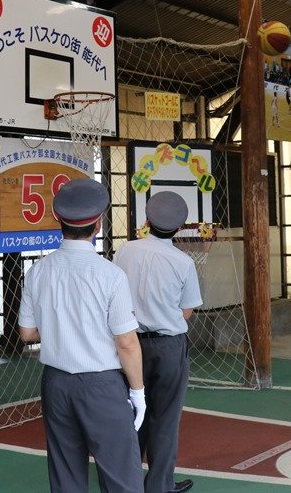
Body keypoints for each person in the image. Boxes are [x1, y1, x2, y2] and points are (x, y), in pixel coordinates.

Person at [19, 178, 146, 492]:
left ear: (57, 220)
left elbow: (27, 333)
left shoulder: (37, 271)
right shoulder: (111, 275)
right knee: (121, 475)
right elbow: (126, 342)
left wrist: (61, 328)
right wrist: (138, 392)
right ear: (99, 224)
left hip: (56, 384)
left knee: (65, 474)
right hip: (102, 385)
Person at [115, 191, 203, 493]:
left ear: (147, 221)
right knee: (164, 418)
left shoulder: (124, 251)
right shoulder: (183, 262)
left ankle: (127, 483)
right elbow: (187, 310)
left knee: (132, 412)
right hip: (168, 347)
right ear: (179, 227)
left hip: (128, 342)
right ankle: (159, 486)